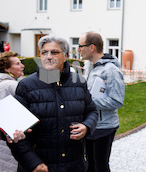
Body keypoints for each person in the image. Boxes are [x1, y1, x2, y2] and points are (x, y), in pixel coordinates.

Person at [8, 35, 98, 172]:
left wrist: (86, 126)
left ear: (66, 56)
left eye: (54, 52)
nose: (49, 56)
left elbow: (92, 111)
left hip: (74, 164)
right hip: (41, 166)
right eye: (44, 53)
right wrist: (32, 163)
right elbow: (13, 131)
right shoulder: (26, 85)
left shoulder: (79, 82)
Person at [78, 31, 125, 172]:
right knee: (90, 166)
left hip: (104, 127)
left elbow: (117, 101)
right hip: (90, 124)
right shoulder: (89, 66)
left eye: (81, 46)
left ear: (92, 47)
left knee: (100, 166)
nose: (78, 50)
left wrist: (88, 102)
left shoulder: (111, 70)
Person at [0, 51, 30, 171]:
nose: (22, 66)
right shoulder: (10, 85)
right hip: (8, 140)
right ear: (6, 69)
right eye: (18, 64)